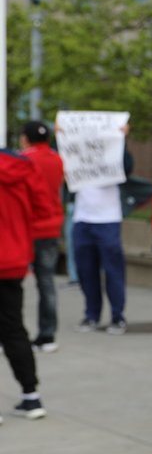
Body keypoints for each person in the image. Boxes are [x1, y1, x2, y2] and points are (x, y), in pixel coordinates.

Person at [0, 147, 56, 422]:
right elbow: (44, 208)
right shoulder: (23, 166)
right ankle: (31, 396)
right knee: (13, 329)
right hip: (12, 259)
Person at [72, 124, 133, 335]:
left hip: (108, 220)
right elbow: (62, 154)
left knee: (113, 271)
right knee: (86, 271)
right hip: (82, 219)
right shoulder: (77, 154)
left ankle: (117, 316)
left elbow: (127, 166)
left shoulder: (114, 154)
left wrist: (122, 140)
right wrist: (60, 134)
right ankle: (91, 315)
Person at [19, 121, 65, 353]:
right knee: (46, 282)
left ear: (25, 138)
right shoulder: (57, 159)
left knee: (10, 285)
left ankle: (10, 334)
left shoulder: (22, 160)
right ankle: (47, 336)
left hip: (24, 230)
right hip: (50, 228)